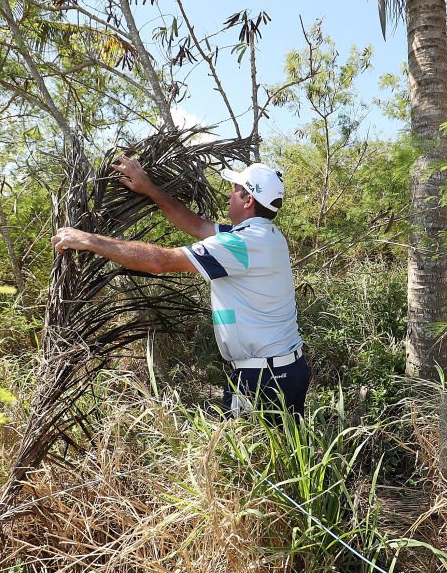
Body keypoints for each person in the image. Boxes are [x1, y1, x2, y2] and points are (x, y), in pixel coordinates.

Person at [51, 155, 310, 421]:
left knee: (250, 458)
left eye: (235, 190)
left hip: (263, 377)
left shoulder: (240, 244)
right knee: (282, 454)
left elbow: (160, 262)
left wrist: (88, 240)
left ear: (248, 200)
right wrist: (150, 189)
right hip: (286, 368)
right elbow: (197, 225)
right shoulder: (265, 235)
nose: (229, 196)